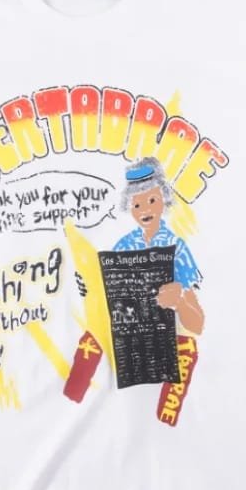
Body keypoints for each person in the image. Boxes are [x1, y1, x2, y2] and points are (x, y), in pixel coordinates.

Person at [63, 157, 203, 426]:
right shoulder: (123, 246)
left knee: (187, 348)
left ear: (164, 200)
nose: (144, 209)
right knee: (92, 338)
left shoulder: (177, 248)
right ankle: (70, 398)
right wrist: (92, 287)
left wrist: (179, 302)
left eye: (151, 200)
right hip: (128, 331)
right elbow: (106, 292)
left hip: (165, 333)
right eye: (137, 204)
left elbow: (197, 322)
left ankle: (166, 418)